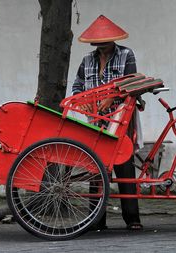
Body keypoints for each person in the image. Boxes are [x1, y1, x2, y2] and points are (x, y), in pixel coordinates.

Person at [72, 15, 142, 230]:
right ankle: (97, 220)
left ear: (112, 41)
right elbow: (77, 86)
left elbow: (131, 84)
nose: (101, 46)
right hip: (95, 121)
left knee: (124, 167)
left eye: (105, 42)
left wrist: (112, 98)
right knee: (96, 169)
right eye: (98, 43)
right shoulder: (87, 61)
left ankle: (132, 219)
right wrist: (81, 101)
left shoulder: (126, 55)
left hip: (121, 119)